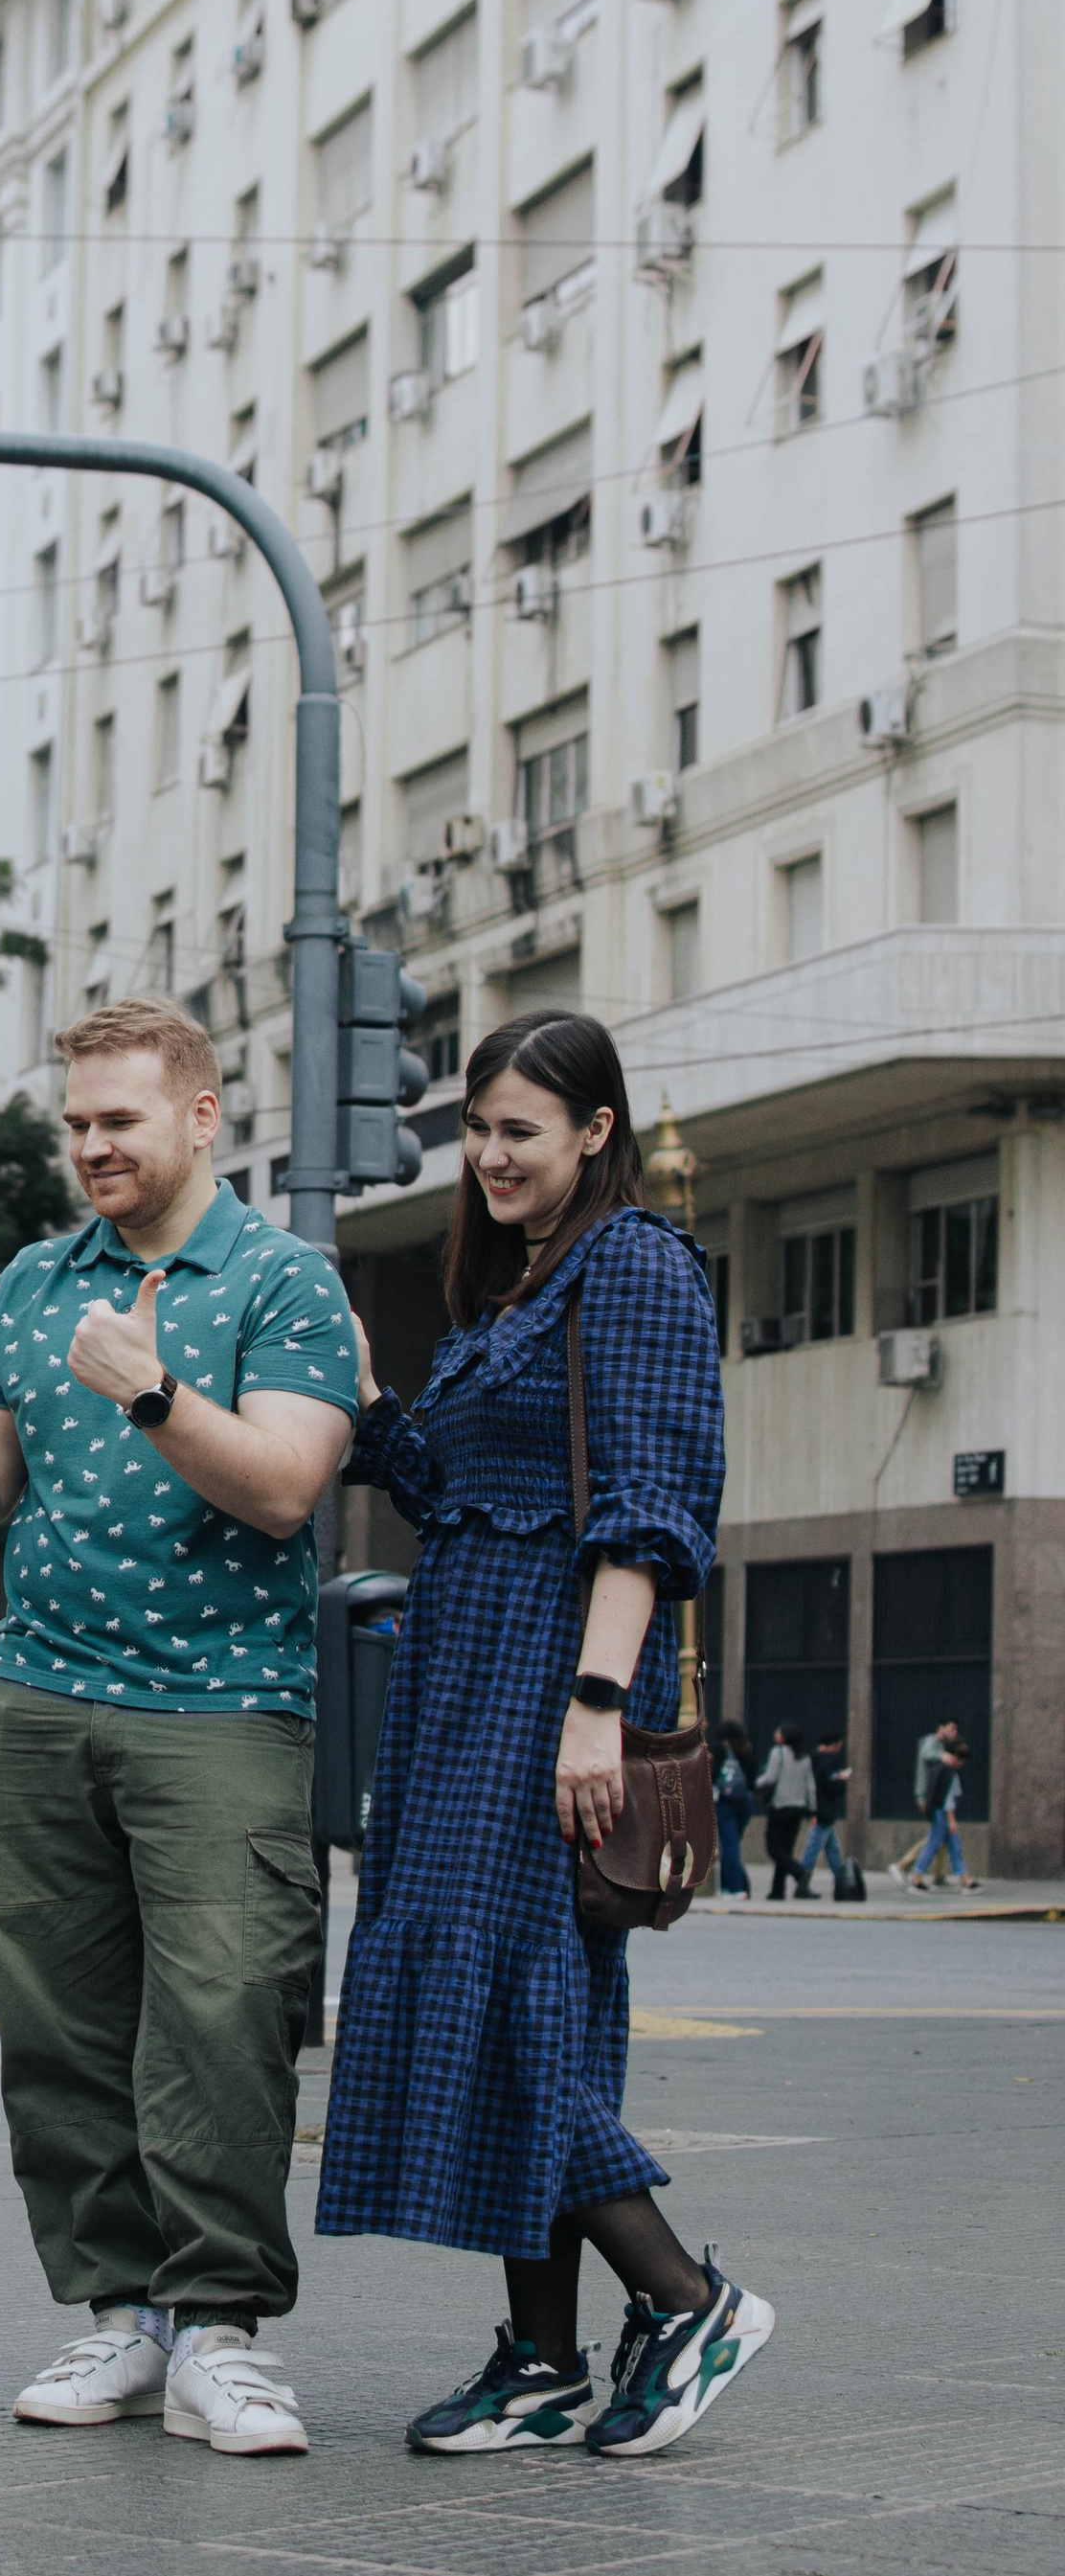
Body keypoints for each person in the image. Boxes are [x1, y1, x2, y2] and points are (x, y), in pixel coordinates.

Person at [0, 995, 357, 2458]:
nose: (91, 1145)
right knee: (59, 2025)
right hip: (38, 1701)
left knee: (223, 2019)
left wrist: (150, 1389)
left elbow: (285, 1487)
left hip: (220, 1710)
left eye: (120, 1120)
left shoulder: (285, 1282)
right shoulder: (36, 1282)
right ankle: (122, 2316)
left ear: (202, 1117)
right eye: (76, 1122)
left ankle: (221, 2330)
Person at [321, 1012, 775, 2460]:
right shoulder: (523, 1289)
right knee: (514, 2000)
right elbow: (448, 1487)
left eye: (522, 1129)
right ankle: (540, 2358)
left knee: (513, 2007)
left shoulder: (634, 1264)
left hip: (548, 1689)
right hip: (467, 1687)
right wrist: (370, 1393)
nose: (491, 1154)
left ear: (596, 1132)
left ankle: (688, 2300)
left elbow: (650, 1509)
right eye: (478, 1127)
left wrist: (592, 1713)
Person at [903, 1722, 977, 1890]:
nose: (961, 1764)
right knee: (935, 1844)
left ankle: (965, 1878)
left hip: (937, 1812)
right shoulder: (948, 1773)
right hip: (942, 1814)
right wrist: (951, 1820)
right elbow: (947, 1800)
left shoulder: (939, 1770)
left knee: (952, 1845)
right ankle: (917, 1876)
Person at [754, 1724, 818, 1902]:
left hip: (780, 1807)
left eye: (779, 1731)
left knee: (773, 1848)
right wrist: (812, 1809)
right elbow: (810, 1786)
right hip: (798, 1809)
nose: (776, 1733)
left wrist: (754, 1784)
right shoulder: (804, 1757)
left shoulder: (778, 1752)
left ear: (785, 1736)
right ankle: (777, 1890)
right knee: (785, 1850)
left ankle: (799, 1872)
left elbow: (770, 1777)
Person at [798, 1734, 852, 1897]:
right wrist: (841, 1780)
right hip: (823, 1812)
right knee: (813, 1849)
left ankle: (840, 1883)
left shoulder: (811, 1759)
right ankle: (802, 1884)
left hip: (818, 1811)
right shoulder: (826, 1763)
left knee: (832, 1849)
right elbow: (829, 1787)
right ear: (834, 1745)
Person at [713, 1722, 756, 1902]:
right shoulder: (746, 1750)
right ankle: (728, 1886)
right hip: (745, 1802)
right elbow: (753, 1779)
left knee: (728, 1846)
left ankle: (735, 1887)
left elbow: (713, 1774)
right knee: (733, 1844)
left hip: (726, 1803)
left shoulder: (721, 1752)